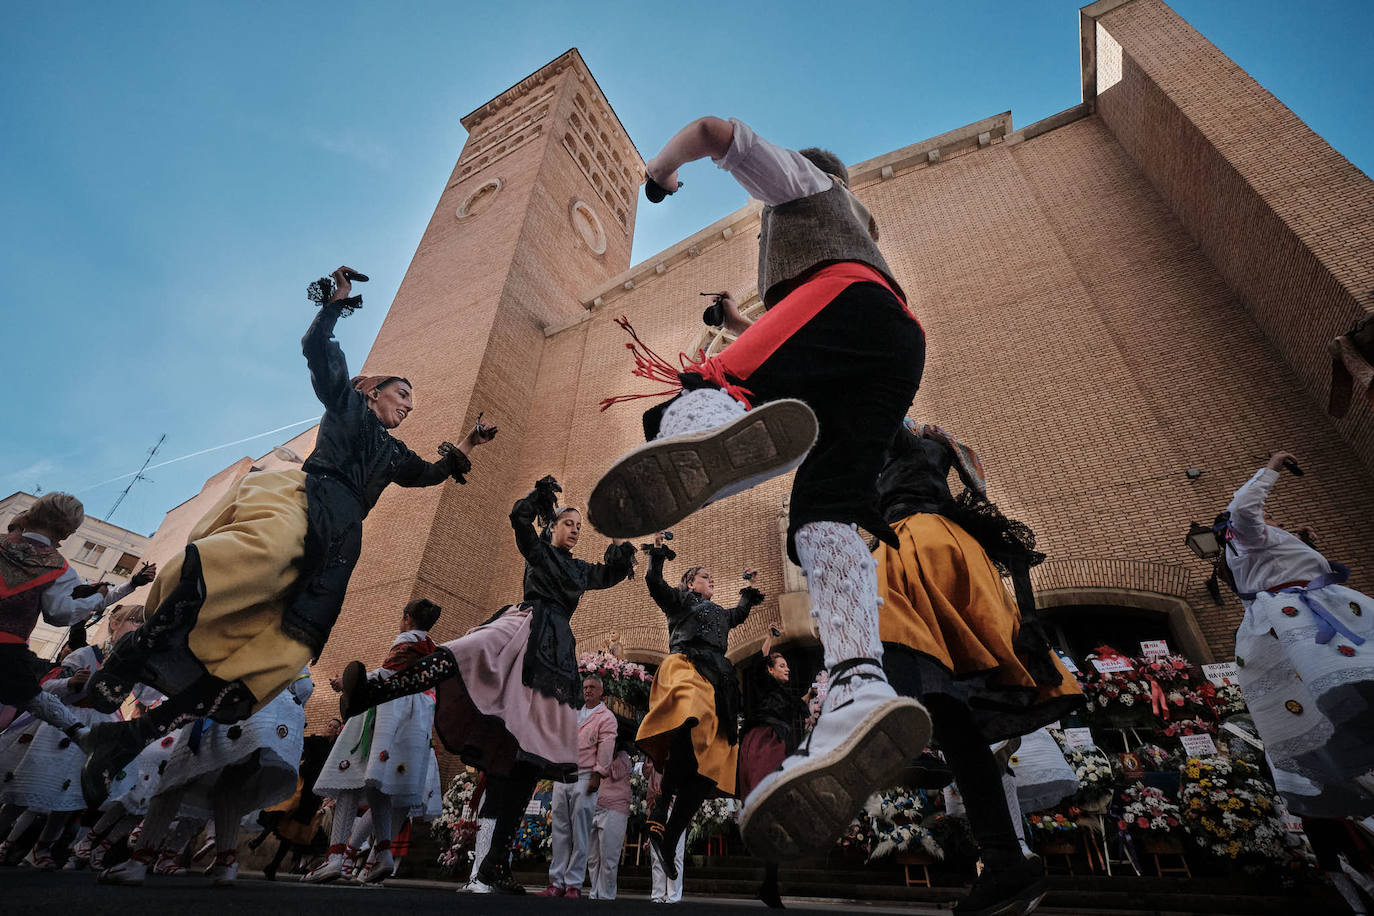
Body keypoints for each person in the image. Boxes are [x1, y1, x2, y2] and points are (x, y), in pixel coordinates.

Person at [588, 116, 931, 860]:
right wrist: (741, 317)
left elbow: (715, 129)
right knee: (823, 517)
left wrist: (662, 171)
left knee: (715, 374)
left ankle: (697, 432)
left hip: (848, 303)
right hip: (891, 350)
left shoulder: (806, 187)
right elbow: (799, 323)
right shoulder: (855, 229)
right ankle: (858, 687)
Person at [80, 266, 497, 805]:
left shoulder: (394, 454)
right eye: (401, 393)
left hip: (341, 544)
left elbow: (434, 474)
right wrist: (335, 305)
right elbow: (318, 350)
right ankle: (133, 654)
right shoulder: (347, 407)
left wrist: (472, 440)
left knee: (274, 656)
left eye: (411, 401)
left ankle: (131, 736)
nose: (408, 404)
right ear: (371, 391)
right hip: (306, 504)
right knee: (240, 560)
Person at [336, 475, 636, 894]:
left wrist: (628, 549)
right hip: (524, 626)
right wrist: (539, 498)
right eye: (569, 523)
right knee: (466, 650)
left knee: (527, 761)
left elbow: (609, 575)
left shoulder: (579, 569)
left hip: (555, 655)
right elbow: (518, 520)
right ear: (552, 527)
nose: (575, 529)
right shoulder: (538, 551)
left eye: (579, 527)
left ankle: (493, 865)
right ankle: (372, 692)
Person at [871, 420, 1082, 915]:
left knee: (878, 637)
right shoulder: (932, 451)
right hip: (950, 551)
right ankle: (1005, 859)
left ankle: (901, 738)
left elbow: (875, 401)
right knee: (954, 718)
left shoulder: (904, 443)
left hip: (915, 550)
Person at [1225, 451, 1374, 814]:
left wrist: (1305, 546)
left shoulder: (1263, 545)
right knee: (1330, 679)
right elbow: (1244, 508)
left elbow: (1281, 566)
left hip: (1324, 607)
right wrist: (1272, 467)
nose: (1273, 523)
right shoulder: (1247, 535)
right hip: (1306, 614)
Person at [98, 668, 314, 886]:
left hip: (229, 699)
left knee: (176, 776)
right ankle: (226, 865)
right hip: (275, 713)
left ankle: (138, 862)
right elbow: (304, 686)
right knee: (230, 788)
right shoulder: (294, 640)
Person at [637, 534, 763, 879]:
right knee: (692, 712)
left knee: (708, 765)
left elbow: (739, 614)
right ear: (691, 582)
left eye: (711, 578)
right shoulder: (681, 602)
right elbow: (654, 583)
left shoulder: (721, 613)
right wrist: (657, 555)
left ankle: (669, 834)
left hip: (717, 678)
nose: (711, 581)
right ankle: (660, 807)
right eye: (706, 576)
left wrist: (747, 591)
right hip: (688, 667)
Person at [307, 597, 443, 884]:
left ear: (407, 618)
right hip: (413, 727)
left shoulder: (407, 642)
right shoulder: (432, 651)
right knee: (380, 787)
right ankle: (382, 854)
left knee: (347, 782)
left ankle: (335, 859)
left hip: (384, 720)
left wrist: (349, 684)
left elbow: (385, 675)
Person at [0, 494, 153, 743]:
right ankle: (80, 734)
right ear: (68, 533)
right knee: (33, 697)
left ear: (29, 515)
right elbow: (60, 615)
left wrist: (16, 527)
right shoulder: (58, 568)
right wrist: (96, 598)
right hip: (7, 651)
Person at [0, 607, 142, 868]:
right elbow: (44, 688)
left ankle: (43, 848)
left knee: (73, 794)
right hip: (66, 723)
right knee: (30, 785)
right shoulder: (86, 654)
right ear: (116, 623)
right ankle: (6, 839)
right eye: (136, 621)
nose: (139, 628)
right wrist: (71, 683)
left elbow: (148, 694)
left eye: (143, 623)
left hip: (101, 726)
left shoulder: (134, 664)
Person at [738, 636, 812, 908]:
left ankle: (770, 885)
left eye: (787, 666)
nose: (787, 668)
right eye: (781, 665)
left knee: (776, 818)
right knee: (767, 803)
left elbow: (798, 705)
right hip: (761, 742)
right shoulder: (764, 683)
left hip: (776, 746)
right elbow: (758, 665)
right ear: (770, 669)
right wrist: (768, 638)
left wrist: (812, 692)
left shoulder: (785, 695)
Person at [538, 675, 617, 898]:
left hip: (585, 776)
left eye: (592, 687)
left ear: (601, 691)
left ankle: (573, 883)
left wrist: (598, 773)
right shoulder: (573, 713)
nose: (588, 691)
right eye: (585, 687)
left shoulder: (606, 717)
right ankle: (557, 882)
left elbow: (606, 746)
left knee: (580, 831)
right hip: (563, 775)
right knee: (560, 830)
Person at [586, 741, 633, 900]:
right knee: (592, 858)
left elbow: (614, 772)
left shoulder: (623, 757)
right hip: (594, 806)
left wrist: (608, 754)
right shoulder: (596, 754)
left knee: (609, 858)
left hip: (615, 809)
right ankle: (594, 893)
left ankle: (606, 896)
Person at [644, 756, 686, 904]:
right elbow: (646, 773)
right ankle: (657, 894)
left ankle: (674, 895)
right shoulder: (655, 754)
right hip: (657, 805)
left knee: (676, 853)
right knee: (656, 854)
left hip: (676, 806)